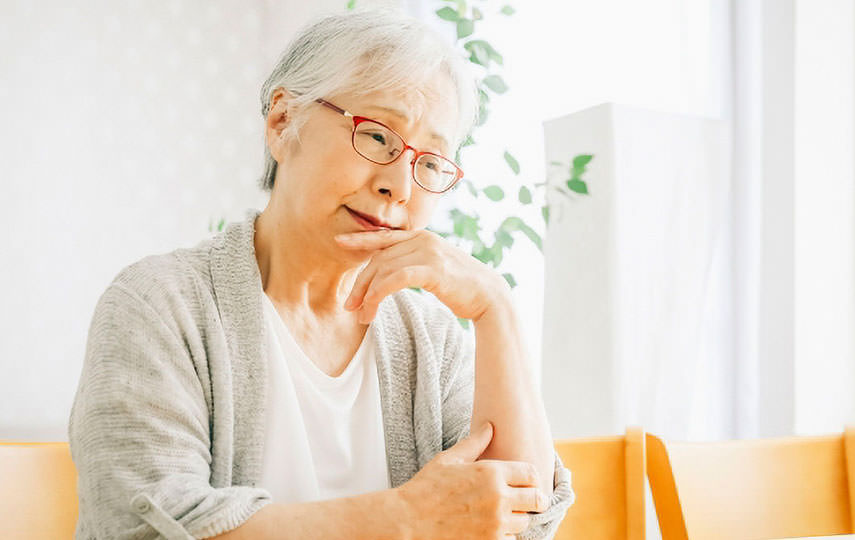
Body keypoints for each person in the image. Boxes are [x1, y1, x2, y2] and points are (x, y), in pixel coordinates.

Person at [68, 8, 574, 540]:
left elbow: (521, 521)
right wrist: (405, 520)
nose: (399, 186)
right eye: (379, 136)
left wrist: (496, 308)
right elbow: (141, 529)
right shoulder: (158, 305)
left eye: (428, 164)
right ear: (283, 122)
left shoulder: (432, 338)